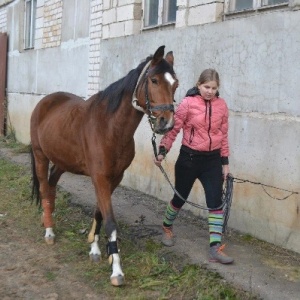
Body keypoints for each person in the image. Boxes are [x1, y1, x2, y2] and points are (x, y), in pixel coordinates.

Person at [154, 68, 233, 264]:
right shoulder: (187, 104)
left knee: (215, 202)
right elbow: (173, 131)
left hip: (212, 160)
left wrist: (225, 162)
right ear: (198, 85)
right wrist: (163, 150)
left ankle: (215, 247)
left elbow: (223, 136)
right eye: (206, 87)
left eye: (214, 88)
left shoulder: (222, 106)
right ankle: (167, 226)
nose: (210, 91)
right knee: (179, 198)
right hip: (189, 159)